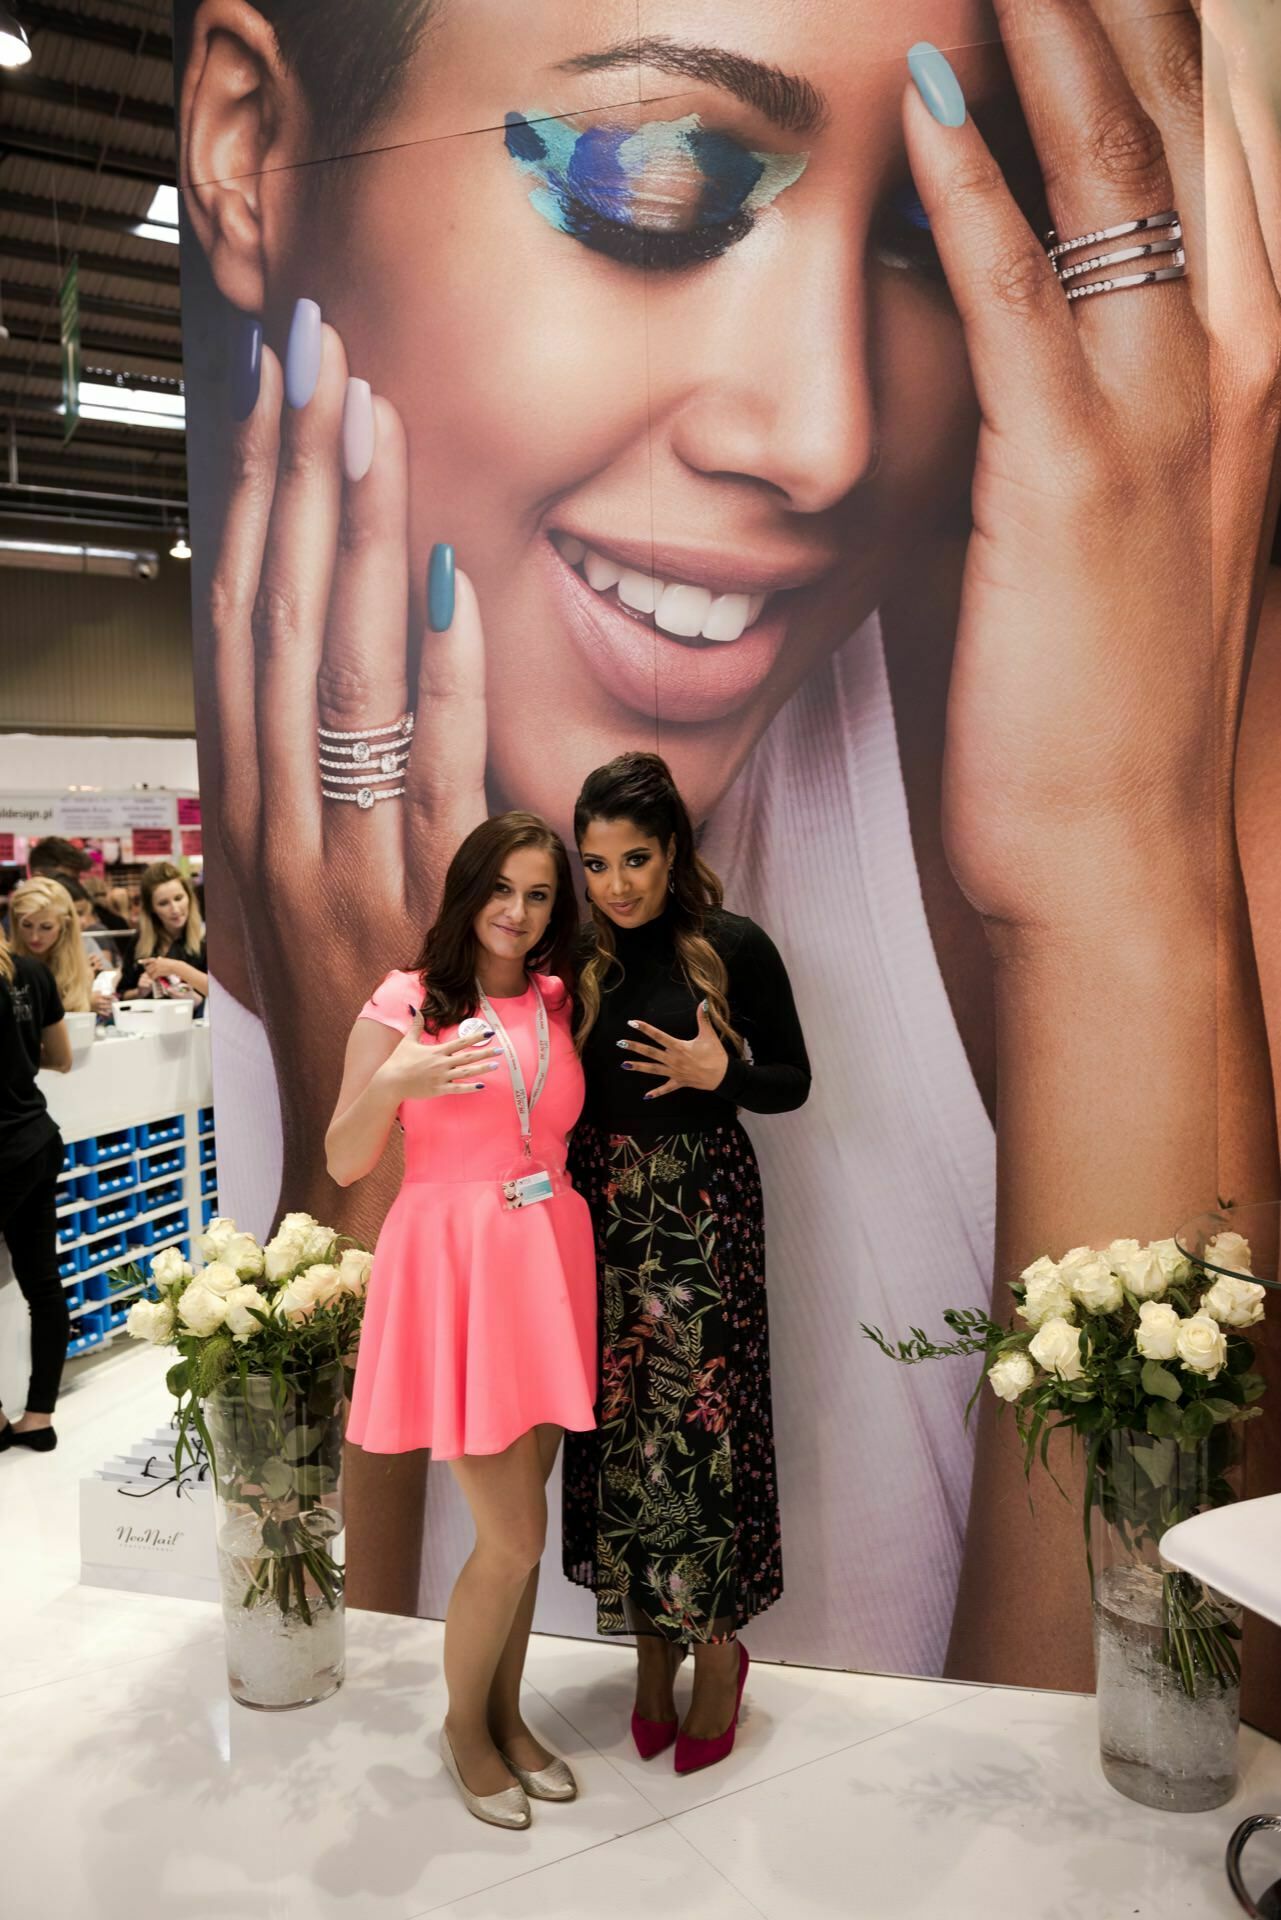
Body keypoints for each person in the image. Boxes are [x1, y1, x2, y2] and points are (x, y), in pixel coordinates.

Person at [177, 0, 1281, 1701]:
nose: (823, 435)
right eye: (654, 185)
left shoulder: (1129, 700)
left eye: (925, 228)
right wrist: (368, 1119)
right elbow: (311, 1718)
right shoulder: (316, 926)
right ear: (250, 150)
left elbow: (1151, 1797)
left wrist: (1117, 901)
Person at [325, 812, 597, 1829]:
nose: (518, 913)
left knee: (519, 1533)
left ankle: (509, 1717)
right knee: (513, 1535)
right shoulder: (406, 1001)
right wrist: (395, 1078)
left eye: (537, 895)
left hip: (547, 1263)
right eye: (501, 889)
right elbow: (344, 1159)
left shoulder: (560, 998)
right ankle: (464, 1729)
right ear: (468, 889)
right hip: (455, 1270)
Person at [563, 753, 809, 1773]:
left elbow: (792, 1082)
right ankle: (648, 1648)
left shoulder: (732, 946)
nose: (616, 884)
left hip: (703, 1211)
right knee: (619, 1427)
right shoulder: (573, 956)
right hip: (596, 1215)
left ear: (675, 854)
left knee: (698, 1435)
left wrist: (726, 1071)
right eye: (596, 863)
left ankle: (717, 1652)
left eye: (635, 859)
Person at [0, 923, 72, 1455]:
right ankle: (38, 1417)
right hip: (36, 1140)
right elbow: (61, 1057)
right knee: (43, 1286)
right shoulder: (30, 972)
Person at [119, 863, 209, 1004]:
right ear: (152, 909)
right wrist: (139, 992)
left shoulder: (207, 939)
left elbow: (223, 993)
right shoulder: (140, 941)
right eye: (163, 903)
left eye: (179, 898)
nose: (175, 909)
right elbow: (121, 994)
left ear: (189, 897)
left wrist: (178, 968)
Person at [9, 879, 99, 1016]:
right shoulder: (6, 968)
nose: (35, 937)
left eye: (46, 927)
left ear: (65, 926)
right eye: (26, 925)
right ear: (16, 923)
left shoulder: (81, 972)